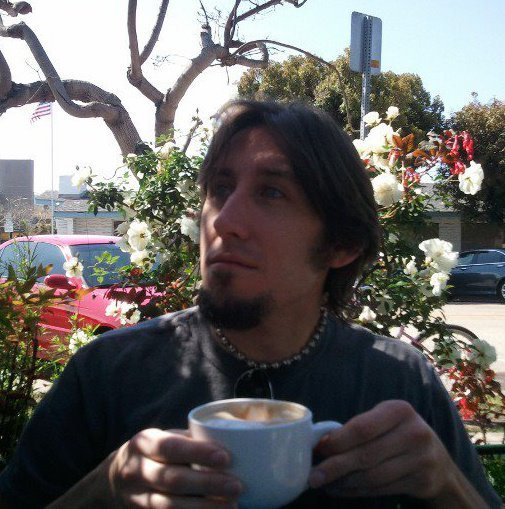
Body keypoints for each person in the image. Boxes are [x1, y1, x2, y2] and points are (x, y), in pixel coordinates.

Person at [0, 100, 500, 508]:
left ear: (341, 244)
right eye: (220, 189)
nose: (222, 220)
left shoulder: (400, 384)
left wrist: (446, 485)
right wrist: (103, 489)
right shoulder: (107, 375)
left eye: (272, 192)